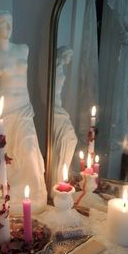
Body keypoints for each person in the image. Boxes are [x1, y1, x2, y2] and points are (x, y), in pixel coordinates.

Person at [0, 10, 47, 214]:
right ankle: (12, 195)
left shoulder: (23, 49)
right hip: (5, 110)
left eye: (11, 23)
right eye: (4, 24)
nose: (9, 28)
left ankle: (36, 195)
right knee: (8, 157)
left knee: (29, 149)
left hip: (24, 108)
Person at [51, 46, 77, 190]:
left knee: (68, 140)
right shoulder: (54, 68)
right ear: (63, 55)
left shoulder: (60, 68)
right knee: (70, 138)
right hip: (55, 108)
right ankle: (58, 178)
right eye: (69, 56)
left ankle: (59, 177)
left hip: (59, 108)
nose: (70, 60)